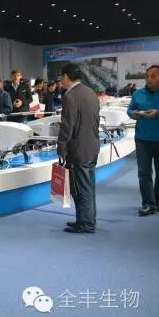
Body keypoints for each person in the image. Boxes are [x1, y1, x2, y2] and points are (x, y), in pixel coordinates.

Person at [57, 64, 100, 233]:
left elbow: (67, 126)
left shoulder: (70, 96)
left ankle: (87, 223)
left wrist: (61, 148)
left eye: (61, 77)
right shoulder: (91, 92)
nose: (60, 80)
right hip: (92, 146)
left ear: (66, 76)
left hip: (79, 149)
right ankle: (84, 220)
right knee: (88, 187)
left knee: (82, 188)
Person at [127, 65, 159, 216]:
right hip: (142, 139)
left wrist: (158, 113)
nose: (148, 79)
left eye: (153, 76)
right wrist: (132, 114)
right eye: (147, 76)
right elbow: (130, 109)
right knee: (143, 173)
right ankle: (148, 203)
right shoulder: (138, 94)